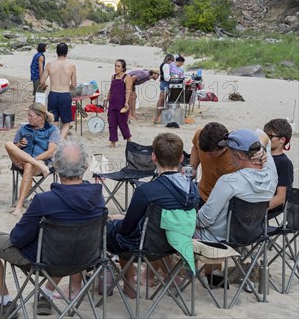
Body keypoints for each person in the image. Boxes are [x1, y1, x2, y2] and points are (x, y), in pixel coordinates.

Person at [0, 139, 105, 316]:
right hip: (83, 258)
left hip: (44, 262)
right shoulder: (98, 197)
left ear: (56, 166)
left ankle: (3, 301)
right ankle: (46, 294)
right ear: (86, 166)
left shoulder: (45, 200)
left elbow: (17, 239)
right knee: (65, 239)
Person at [106, 132, 199, 298]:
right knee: (156, 230)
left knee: (110, 230)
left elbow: (126, 229)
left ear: (153, 157)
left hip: (145, 247)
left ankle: (128, 283)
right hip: (175, 244)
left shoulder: (147, 191)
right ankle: (170, 276)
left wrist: (115, 221)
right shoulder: (192, 189)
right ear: (180, 159)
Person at [196, 129, 278, 243]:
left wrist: (187, 220)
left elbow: (205, 219)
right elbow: (262, 134)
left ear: (239, 154)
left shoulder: (228, 181)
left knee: (175, 228)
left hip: (217, 239)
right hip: (250, 236)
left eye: (229, 151)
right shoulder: (271, 175)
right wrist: (262, 148)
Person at [5, 103, 60, 216]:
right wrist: (20, 144)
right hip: (21, 162)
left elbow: (50, 152)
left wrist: (31, 160)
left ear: (41, 116)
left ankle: (19, 206)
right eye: (28, 115)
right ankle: (34, 163)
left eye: (31, 115)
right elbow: (14, 148)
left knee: (29, 165)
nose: (28, 118)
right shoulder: (23, 129)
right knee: (8, 144)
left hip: (41, 163)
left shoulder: (52, 130)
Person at [189, 122, 236, 205]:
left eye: (211, 154)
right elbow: (195, 147)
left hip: (225, 202)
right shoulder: (200, 135)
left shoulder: (237, 152)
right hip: (202, 195)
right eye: (204, 152)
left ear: (224, 148)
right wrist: (193, 166)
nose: (207, 157)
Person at [39, 42, 77, 139]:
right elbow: (74, 84)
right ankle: (60, 141)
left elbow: (42, 81)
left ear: (56, 52)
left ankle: (54, 141)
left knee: (53, 120)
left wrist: (44, 86)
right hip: (64, 95)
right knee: (66, 122)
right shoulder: (71, 66)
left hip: (53, 94)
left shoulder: (50, 64)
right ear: (67, 52)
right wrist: (68, 87)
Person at [263, 119, 294, 218]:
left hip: (267, 207)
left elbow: (280, 197)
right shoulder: (260, 155)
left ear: (282, 140)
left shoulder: (284, 163)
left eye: (270, 136)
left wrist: (255, 210)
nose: (266, 139)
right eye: (264, 135)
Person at [105, 59, 133, 148]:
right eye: (115, 66)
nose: (116, 68)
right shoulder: (113, 77)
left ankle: (128, 139)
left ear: (123, 68)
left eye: (118, 66)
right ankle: (113, 141)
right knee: (111, 123)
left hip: (121, 103)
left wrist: (126, 102)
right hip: (112, 103)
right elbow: (110, 90)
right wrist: (106, 100)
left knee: (122, 123)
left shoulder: (127, 77)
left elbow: (128, 91)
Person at [153, 53, 175, 124]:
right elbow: (166, 77)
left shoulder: (163, 64)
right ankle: (157, 116)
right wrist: (172, 77)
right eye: (172, 61)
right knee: (162, 99)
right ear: (170, 60)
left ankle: (159, 115)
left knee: (162, 100)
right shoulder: (166, 65)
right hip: (165, 83)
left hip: (163, 83)